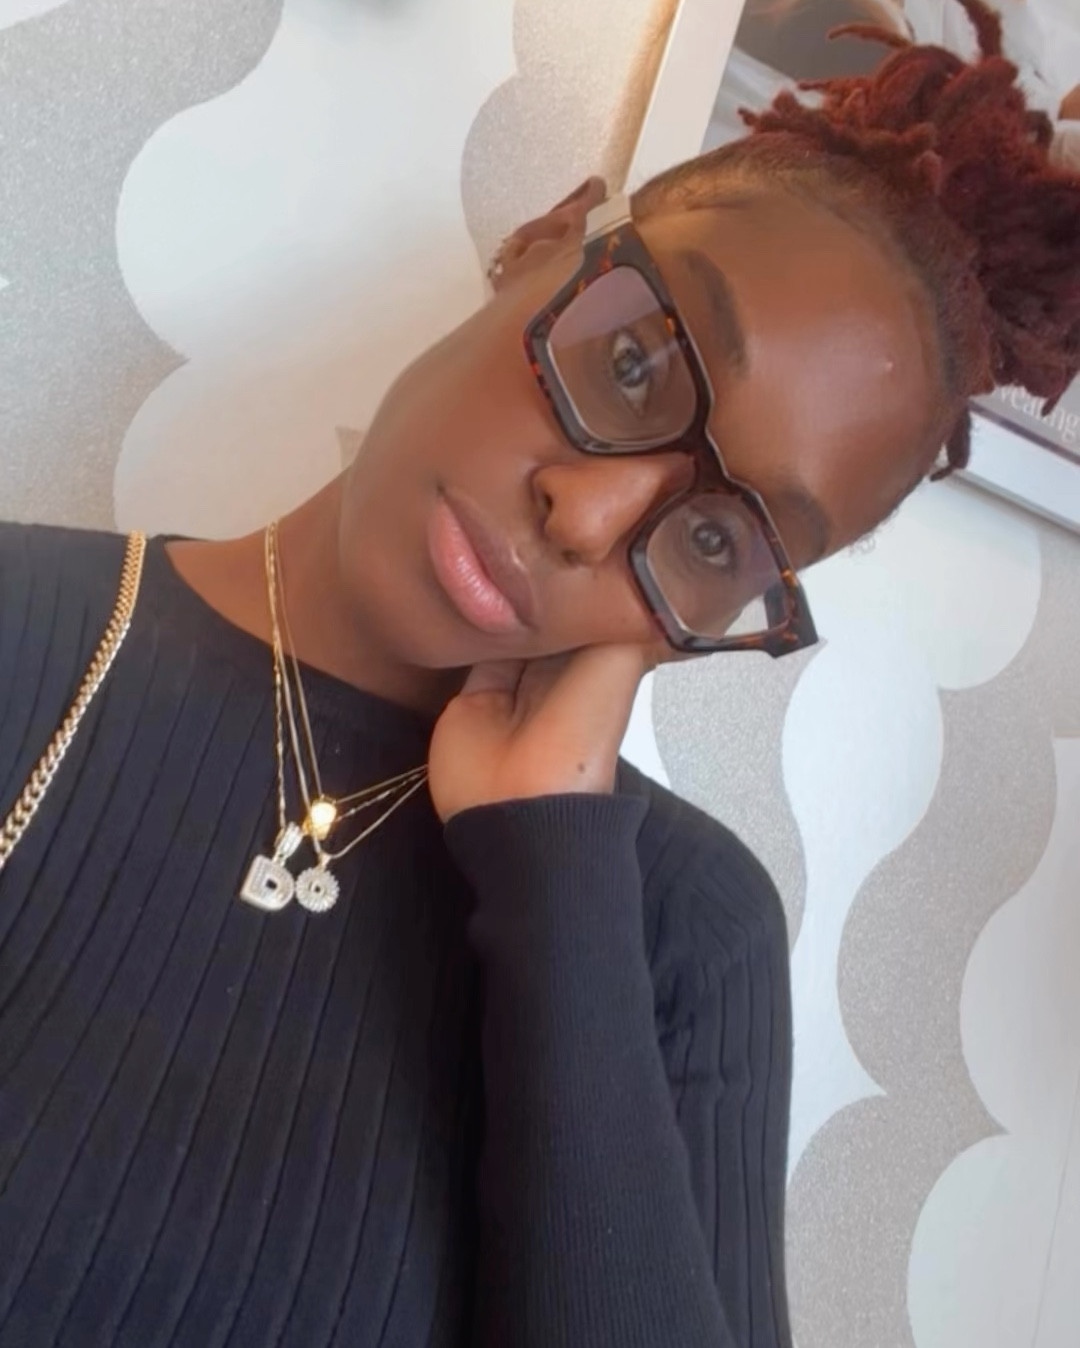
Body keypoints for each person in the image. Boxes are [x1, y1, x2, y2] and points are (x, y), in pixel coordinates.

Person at [1, 2, 1077, 1344]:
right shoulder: (28, 624)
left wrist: (555, 865)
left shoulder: (687, 931)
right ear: (545, 240)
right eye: (632, 362)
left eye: (713, 537)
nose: (587, 516)